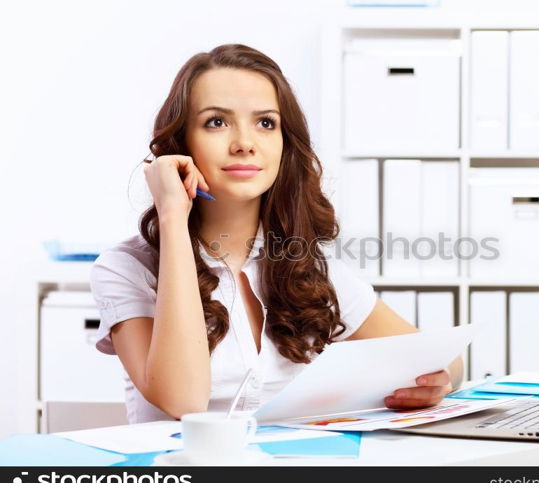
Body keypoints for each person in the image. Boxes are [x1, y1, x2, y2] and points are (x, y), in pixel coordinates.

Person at [90, 43, 463, 424]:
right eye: (216, 122)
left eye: (266, 123)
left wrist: (437, 381)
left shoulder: (307, 267)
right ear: (181, 144)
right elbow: (184, 401)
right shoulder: (125, 269)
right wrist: (172, 216)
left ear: (285, 145)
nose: (245, 143)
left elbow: (445, 361)